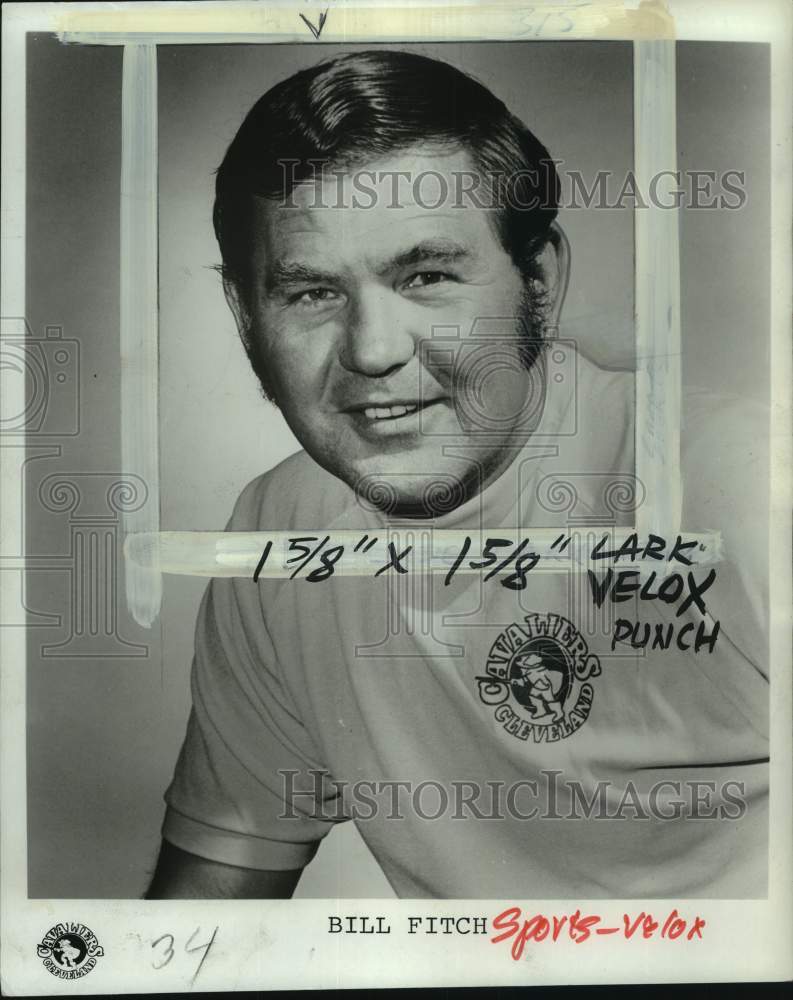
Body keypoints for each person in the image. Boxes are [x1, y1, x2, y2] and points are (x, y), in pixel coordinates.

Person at [147, 49, 768, 899]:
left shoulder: (739, 485)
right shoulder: (279, 529)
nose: (372, 351)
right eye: (310, 294)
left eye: (427, 276)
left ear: (537, 279)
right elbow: (208, 912)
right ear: (244, 317)